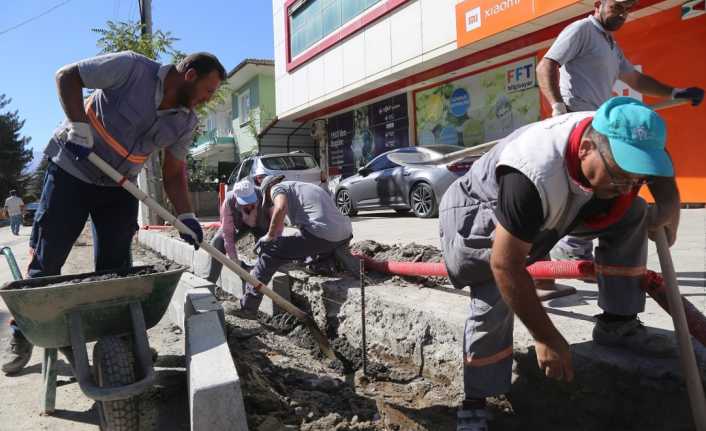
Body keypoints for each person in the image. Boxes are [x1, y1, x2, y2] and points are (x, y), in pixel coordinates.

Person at [439, 97, 680, 430]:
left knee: (634, 211)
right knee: (493, 291)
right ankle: (476, 400)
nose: (628, 186)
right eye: (621, 175)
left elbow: (659, 160)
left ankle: (618, 324)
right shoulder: (531, 172)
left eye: (636, 179)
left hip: (567, 196)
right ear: (585, 149)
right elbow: (506, 266)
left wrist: (670, 205)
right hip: (481, 207)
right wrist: (546, 337)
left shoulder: (620, 141)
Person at [2, 50, 226, 375]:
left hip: (120, 186)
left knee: (117, 271)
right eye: (208, 90)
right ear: (189, 76)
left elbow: (175, 171)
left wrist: (187, 216)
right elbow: (67, 76)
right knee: (47, 261)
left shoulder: (185, 121)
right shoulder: (132, 68)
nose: (207, 99)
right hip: (72, 171)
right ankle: (25, 333)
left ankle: (121, 339)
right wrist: (79, 126)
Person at [536, 0, 703, 262]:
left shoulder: (611, 45)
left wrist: (674, 92)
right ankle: (569, 250)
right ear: (598, 4)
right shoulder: (581, 31)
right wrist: (558, 107)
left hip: (600, 122)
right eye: (617, 7)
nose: (623, 13)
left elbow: (636, 80)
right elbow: (546, 65)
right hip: (579, 121)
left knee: (618, 182)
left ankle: (583, 248)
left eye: (627, 9)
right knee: (591, 184)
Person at [240, 175, 353, 314]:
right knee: (300, 241)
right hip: (345, 233)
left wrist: (270, 236)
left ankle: (247, 308)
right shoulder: (304, 187)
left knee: (270, 252)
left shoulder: (276, 188)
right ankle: (324, 263)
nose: (270, 203)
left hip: (323, 234)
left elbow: (280, 208)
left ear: (268, 189)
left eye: (268, 201)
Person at [206, 179, 270, 285]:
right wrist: (236, 263)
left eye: (251, 201)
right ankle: (210, 283)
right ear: (236, 198)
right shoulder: (229, 202)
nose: (249, 205)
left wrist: (271, 238)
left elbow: (276, 221)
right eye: (245, 203)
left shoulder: (263, 195)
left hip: (261, 226)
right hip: (239, 225)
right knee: (218, 242)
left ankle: (261, 272)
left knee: (268, 248)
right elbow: (227, 235)